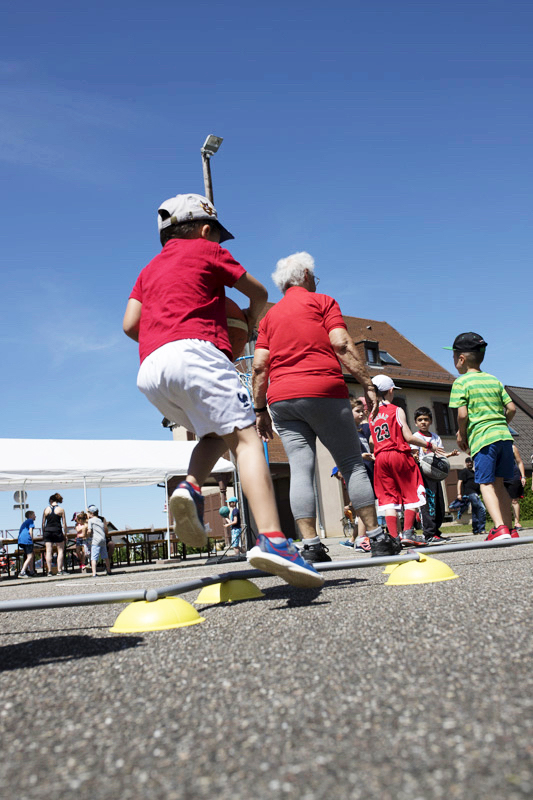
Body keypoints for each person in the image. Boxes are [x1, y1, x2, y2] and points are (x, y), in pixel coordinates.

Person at [123, 194, 323, 588]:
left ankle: (190, 486)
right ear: (204, 229)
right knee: (246, 440)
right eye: (217, 234)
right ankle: (273, 539)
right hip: (197, 352)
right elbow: (259, 292)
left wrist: (165, 338)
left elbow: (131, 325)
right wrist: (249, 320)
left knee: (215, 434)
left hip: (152, 368)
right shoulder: (207, 250)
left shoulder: (147, 270)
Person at [252, 251, 399, 560]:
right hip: (324, 390)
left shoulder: (268, 319)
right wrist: (367, 383)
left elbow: (260, 366)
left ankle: (311, 546)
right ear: (306, 275)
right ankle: (377, 538)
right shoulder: (323, 302)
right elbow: (341, 344)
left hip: (282, 399)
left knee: (300, 470)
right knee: (352, 463)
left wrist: (259, 410)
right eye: (314, 277)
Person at [447, 331, 517, 540]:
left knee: (485, 483)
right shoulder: (494, 380)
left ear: (461, 359)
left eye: (453, 356)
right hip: (504, 437)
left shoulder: (461, 382)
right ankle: (510, 528)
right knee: (500, 483)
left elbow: (462, 414)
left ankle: (498, 528)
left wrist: (462, 434)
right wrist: (500, 425)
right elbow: (511, 408)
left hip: (483, 439)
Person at [368, 376, 446, 547]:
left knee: (389, 500)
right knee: (412, 493)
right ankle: (408, 533)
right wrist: (429, 445)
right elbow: (409, 437)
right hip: (398, 454)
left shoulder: (372, 414)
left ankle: (394, 538)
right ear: (390, 390)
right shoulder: (396, 410)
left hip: (380, 458)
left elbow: (372, 440)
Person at [412, 406, 459, 544]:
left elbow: (440, 455)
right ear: (416, 423)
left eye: (426, 419)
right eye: (420, 420)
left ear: (431, 421)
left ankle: (436, 532)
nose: (423, 422)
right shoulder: (416, 437)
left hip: (435, 473)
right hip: (423, 474)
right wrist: (415, 457)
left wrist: (449, 455)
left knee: (439, 503)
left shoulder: (435, 437)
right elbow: (414, 454)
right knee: (428, 503)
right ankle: (429, 533)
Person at [457, 456, 487, 535]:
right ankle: (481, 528)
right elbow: (459, 482)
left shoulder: (473, 472)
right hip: (470, 493)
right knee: (482, 508)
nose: (470, 463)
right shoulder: (464, 471)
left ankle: (476, 529)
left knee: (475, 511)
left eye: (471, 462)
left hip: (476, 493)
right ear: (466, 463)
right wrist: (459, 494)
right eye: (468, 462)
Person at [42, 493, 69, 576]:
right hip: (57, 530)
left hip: (48, 531)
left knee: (48, 551)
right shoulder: (61, 510)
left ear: (51, 500)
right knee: (60, 551)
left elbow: (43, 523)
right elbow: (64, 524)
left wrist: (44, 533)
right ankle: (59, 570)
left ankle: (49, 571)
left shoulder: (46, 509)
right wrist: (65, 534)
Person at [504, 442, 526, 532]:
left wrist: (523, 476)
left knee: (514, 500)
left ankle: (516, 522)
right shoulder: (495, 447)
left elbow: (519, 462)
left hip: (513, 475)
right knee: (503, 501)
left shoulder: (512, 448)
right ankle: (504, 523)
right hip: (500, 477)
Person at [87, 505, 111, 577]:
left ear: (91, 513)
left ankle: (94, 573)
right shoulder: (100, 520)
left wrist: (88, 535)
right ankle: (109, 570)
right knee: (105, 556)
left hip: (96, 540)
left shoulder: (90, 521)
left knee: (94, 557)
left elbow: (89, 530)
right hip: (103, 539)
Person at [18, 510, 36, 577]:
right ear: (30, 515)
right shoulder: (30, 521)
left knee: (30, 555)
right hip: (27, 540)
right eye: (34, 515)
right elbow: (30, 531)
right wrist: (32, 540)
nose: (35, 516)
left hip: (21, 540)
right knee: (30, 556)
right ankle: (22, 572)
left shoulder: (25, 522)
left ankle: (31, 571)